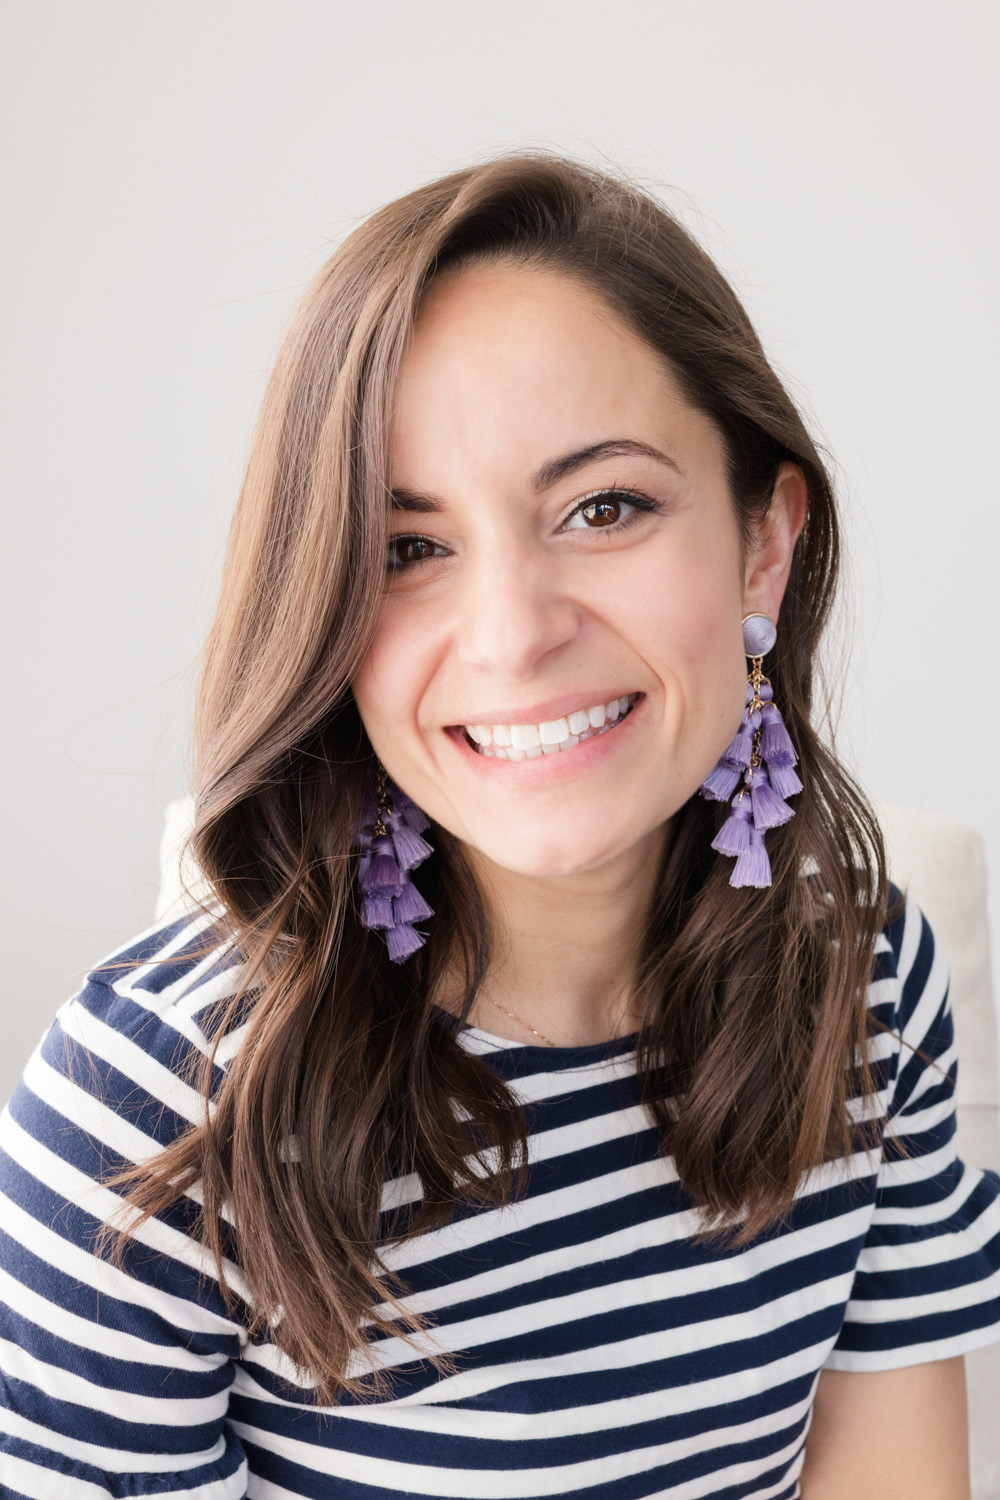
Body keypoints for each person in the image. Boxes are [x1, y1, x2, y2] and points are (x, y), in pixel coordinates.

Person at [1, 149, 997, 1500]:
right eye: (408, 547)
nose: (516, 635)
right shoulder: (152, 1111)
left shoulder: (870, 984)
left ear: (765, 541)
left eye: (604, 508)